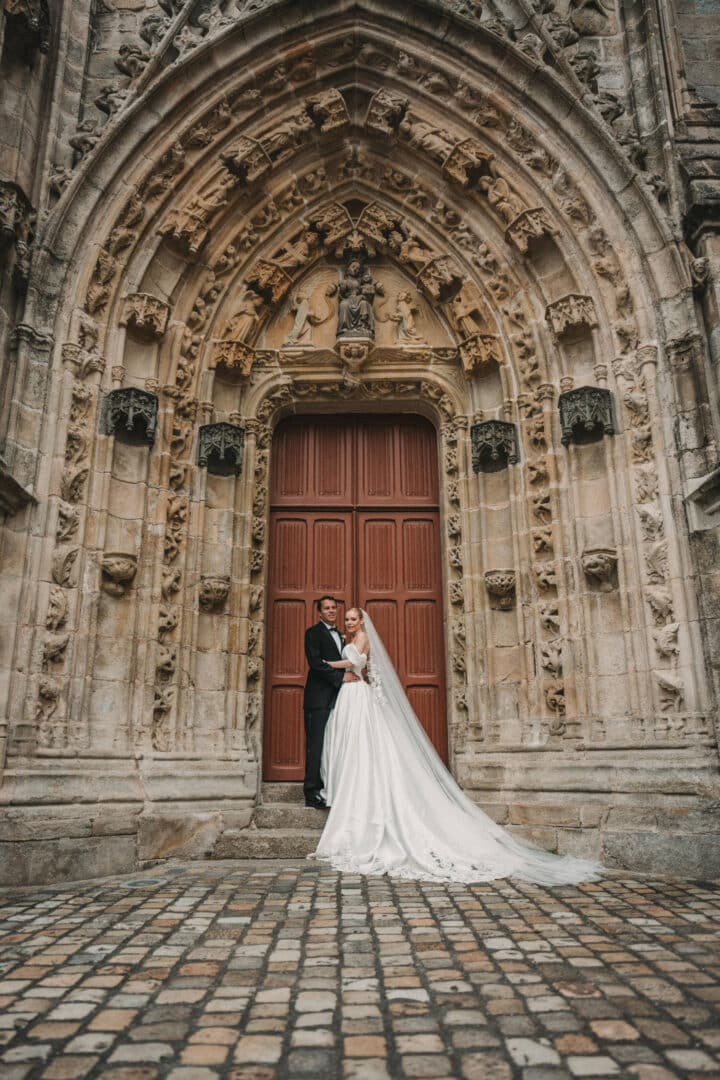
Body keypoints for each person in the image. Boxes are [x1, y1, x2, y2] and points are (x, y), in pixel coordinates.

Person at [314, 607, 603, 885]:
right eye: (347, 618)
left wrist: (326, 664)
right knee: (358, 749)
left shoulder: (361, 640)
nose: (349, 622)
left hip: (358, 694)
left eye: (354, 618)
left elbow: (357, 665)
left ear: (362, 622)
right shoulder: (347, 638)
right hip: (350, 696)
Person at [302, 596, 360, 809]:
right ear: (319, 612)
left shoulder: (346, 636)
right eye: (326, 608)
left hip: (342, 699)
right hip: (318, 698)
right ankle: (312, 792)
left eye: (334, 608)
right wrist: (340, 678)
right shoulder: (312, 634)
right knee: (315, 745)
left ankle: (333, 787)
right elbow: (316, 664)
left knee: (333, 744)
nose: (331, 611)